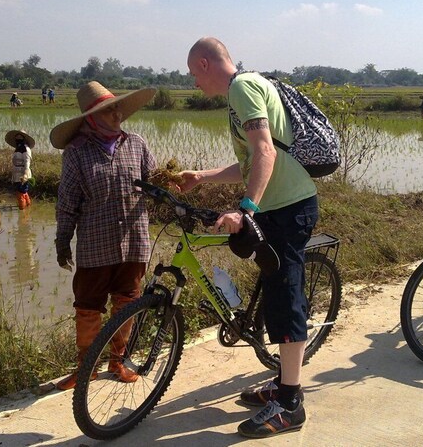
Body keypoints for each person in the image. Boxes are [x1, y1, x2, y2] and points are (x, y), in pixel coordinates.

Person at [176, 37, 318, 438]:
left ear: (204, 63)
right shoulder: (244, 89)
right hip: (281, 206)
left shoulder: (242, 88)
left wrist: (245, 210)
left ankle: (290, 403)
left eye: (192, 74)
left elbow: (266, 152)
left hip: (288, 208)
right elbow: (252, 161)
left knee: (285, 295)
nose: (194, 84)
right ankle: (282, 382)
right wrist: (203, 177)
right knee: (274, 290)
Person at [50, 81, 156, 391]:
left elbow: (154, 182)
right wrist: (62, 240)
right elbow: (67, 202)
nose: (116, 113)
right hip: (96, 245)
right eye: (108, 110)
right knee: (88, 307)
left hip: (135, 241)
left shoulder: (136, 144)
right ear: (91, 118)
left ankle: (118, 361)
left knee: (127, 304)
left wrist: (172, 191)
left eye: (117, 107)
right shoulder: (77, 153)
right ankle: (86, 368)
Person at [5, 129, 35, 210]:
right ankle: (27, 207)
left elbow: (27, 162)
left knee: (20, 193)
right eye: (16, 138)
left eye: (20, 137)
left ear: (24, 139)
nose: (18, 139)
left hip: (23, 173)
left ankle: (22, 211)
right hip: (17, 173)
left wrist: (25, 174)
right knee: (23, 191)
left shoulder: (26, 149)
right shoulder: (18, 148)